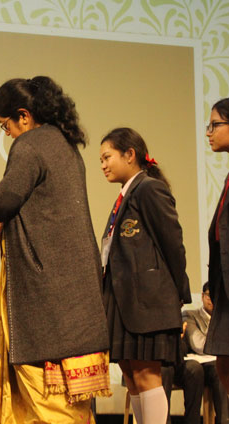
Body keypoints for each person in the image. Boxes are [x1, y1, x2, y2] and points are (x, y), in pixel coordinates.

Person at [0, 76, 110, 423]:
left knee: (44, 395)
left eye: (5, 125)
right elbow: (43, 209)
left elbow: (6, 199)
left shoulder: (30, 144)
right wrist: (6, 224)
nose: (8, 133)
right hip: (77, 292)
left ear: (23, 116)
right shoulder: (65, 144)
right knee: (72, 402)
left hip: (46, 294)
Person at [99, 127, 191, 424]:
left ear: (130, 154)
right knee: (130, 374)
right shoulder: (125, 194)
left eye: (107, 157)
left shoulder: (149, 188)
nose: (103, 165)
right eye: (101, 160)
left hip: (147, 300)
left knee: (145, 374)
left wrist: (179, 294)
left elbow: (173, 243)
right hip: (123, 299)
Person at [204, 97, 229, 395]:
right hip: (224, 287)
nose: (208, 133)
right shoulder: (227, 179)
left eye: (215, 125)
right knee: (223, 363)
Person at [185, 282, 229, 422]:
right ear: (202, 296)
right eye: (209, 295)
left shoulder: (225, 318)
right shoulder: (190, 315)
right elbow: (198, 344)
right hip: (200, 364)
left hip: (218, 360)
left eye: (216, 297)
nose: (212, 300)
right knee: (219, 368)